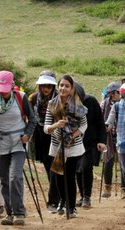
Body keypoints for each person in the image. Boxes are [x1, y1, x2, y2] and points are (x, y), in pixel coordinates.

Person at [0, 70, 37, 225]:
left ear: (12, 85)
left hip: (18, 141)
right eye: (0, 90)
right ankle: (10, 214)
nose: (3, 93)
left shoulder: (21, 97)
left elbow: (33, 120)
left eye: (5, 90)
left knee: (15, 176)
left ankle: (19, 213)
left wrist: (27, 134)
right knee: (4, 179)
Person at [44, 74, 88, 217]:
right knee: (57, 177)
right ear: (58, 87)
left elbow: (83, 125)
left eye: (67, 86)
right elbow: (46, 128)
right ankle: (63, 200)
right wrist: (56, 125)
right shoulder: (52, 104)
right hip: (57, 146)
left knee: (69, 176)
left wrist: (72, 136)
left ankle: (71, 207)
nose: (63, 88)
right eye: (61, 85)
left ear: (71, 88)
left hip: (74, 146)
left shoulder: (78, 105)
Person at [28, 70, 60, 213]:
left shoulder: (60, 97)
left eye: (49, 85)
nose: (46, 88)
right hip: (40, 134)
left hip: (57, 133)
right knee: (48, 166)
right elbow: (29, 117)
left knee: (55, 167)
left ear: (53, 86)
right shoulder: (33, 98)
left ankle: (53, 200)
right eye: (43, 85)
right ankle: (57, 195)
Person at [75, 83, 106, 208]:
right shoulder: (67, 103)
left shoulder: (91, 101)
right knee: (78, 170)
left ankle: (87, 197)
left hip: (90, 142)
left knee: (86, 167)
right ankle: (82, 196)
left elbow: (100, 122)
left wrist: (102, 140)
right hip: (75, 142)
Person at [101, 82, 125, 198]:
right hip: (108, 137)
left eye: (115, 93)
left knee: (124, 163)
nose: (113, 95)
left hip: (122, 136)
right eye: (112, 93)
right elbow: (100, 118)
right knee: (108, 161)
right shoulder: (104, 104)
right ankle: (107, 187)